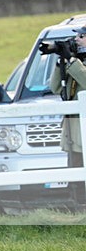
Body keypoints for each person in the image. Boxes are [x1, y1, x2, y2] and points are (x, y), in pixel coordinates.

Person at [49, 26, 86, 208]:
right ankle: (78, 208)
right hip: (73, 130)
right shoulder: (76, 63)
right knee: (75, 172)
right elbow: (56, 87)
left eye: (82, 36)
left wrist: (71, 60)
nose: (77, 40)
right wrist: (60, 63)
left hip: (82, 129)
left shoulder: (77, 64)